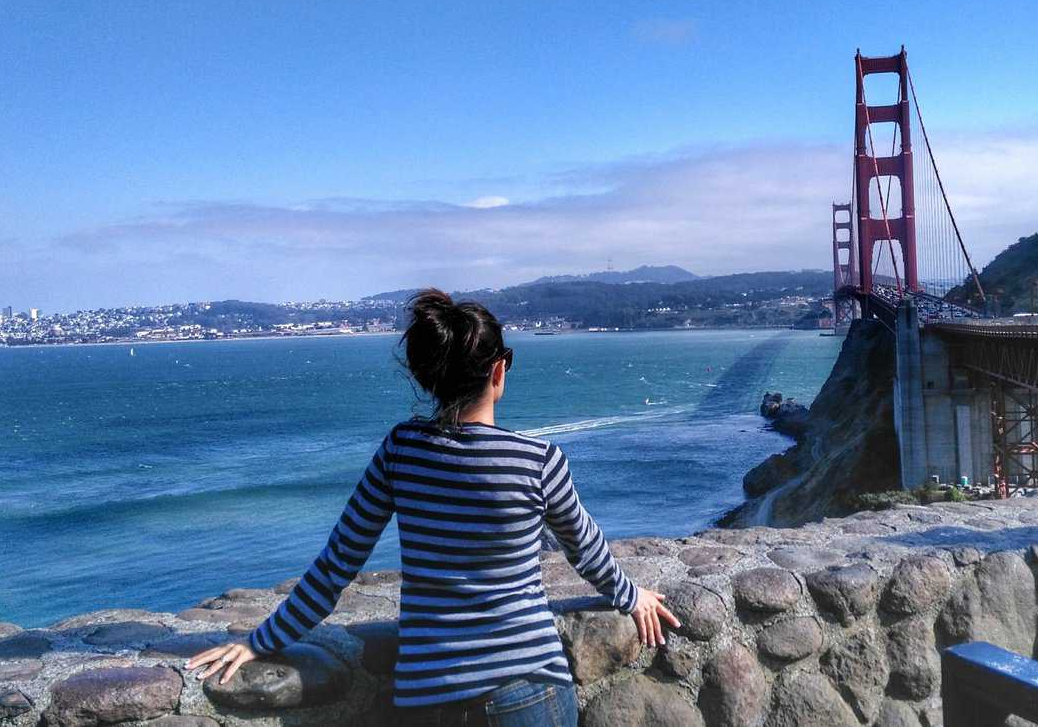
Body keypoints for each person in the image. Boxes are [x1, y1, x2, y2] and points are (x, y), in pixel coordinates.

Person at [186, 288, 680, 725]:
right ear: (498, 369)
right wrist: (631, 596)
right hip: (528, 689)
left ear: (430, 377)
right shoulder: (538, 461)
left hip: (429, 698)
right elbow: (586, 551)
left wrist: (260, 641)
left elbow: (337, 565)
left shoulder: (402, 451)